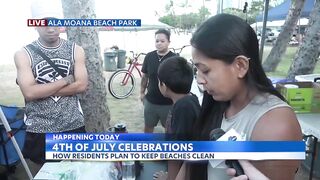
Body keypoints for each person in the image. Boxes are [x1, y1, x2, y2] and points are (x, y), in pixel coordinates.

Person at [185, 14, 302, 180]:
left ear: (240, 66)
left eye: (205, 70)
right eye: (196, 70)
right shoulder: (218, 102)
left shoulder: (275, 126)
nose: (199, 80)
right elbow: (190, 167)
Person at [14, 0, 88, 173]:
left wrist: (42, 89)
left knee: (78, 172)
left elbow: (82, 85)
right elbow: (29, 92)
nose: (51, 28)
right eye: (44, 22)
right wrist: (65, 80)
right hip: (41, 129)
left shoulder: (75, 50)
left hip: (73, 125)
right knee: (46, 174)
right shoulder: (23, 54)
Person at [153, 56, 200, 180]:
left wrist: (170, 178)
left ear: (164, 85)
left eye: (159, 81)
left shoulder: (183, 108)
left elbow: (178, 150)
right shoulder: (189, 99)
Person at [140, 29, 176, 133]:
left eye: (162, 41)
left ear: (169, 42)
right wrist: (142, 93)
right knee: (148, 128)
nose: (159, 43)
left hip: (168, 103)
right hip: (151, 101)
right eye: (157, 41)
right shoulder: (149, 56)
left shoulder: (174, 58)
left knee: (169, 130)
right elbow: (145, 77)